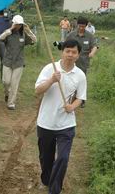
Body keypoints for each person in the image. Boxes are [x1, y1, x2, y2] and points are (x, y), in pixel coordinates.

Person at [35, 39, 86, 194]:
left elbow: (81, 98)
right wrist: (52, 80)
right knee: (46, 158)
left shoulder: (80, 75)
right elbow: (37, 90)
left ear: (78, 55)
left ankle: (54, 189)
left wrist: (72, 106)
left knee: (63, 158)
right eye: (67, 51)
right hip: (46, 123)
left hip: (67, 124)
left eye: (74, 52)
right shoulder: (49, 68)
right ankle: (46, 179)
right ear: (62, 51)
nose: (70, 55)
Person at [0, 15, 37, 110]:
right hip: (7, 61)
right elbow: (1, 37)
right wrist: (11, 29)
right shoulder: (8, 33)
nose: (19, 26)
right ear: (13, 23)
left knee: (14, 84)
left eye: (20, 24)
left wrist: (28, 30)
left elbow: (34, 40)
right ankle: (7, 93)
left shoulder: (23, 35)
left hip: (18, 63)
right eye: (17, 24)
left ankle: (11, 103)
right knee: (6, 82)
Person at [66, 17, 97, 108]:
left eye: (83, 26)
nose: (81, 28)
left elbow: (95, 46)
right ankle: (69, 98)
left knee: (81, 82)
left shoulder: (89, 36)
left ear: (86, 26)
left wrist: (92, 53)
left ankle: (81, 100)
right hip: (70, 62)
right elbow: (65, 46)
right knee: (69, 80)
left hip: (83, 63)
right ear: (77, 25)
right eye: (80, 26)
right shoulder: (71, 35)